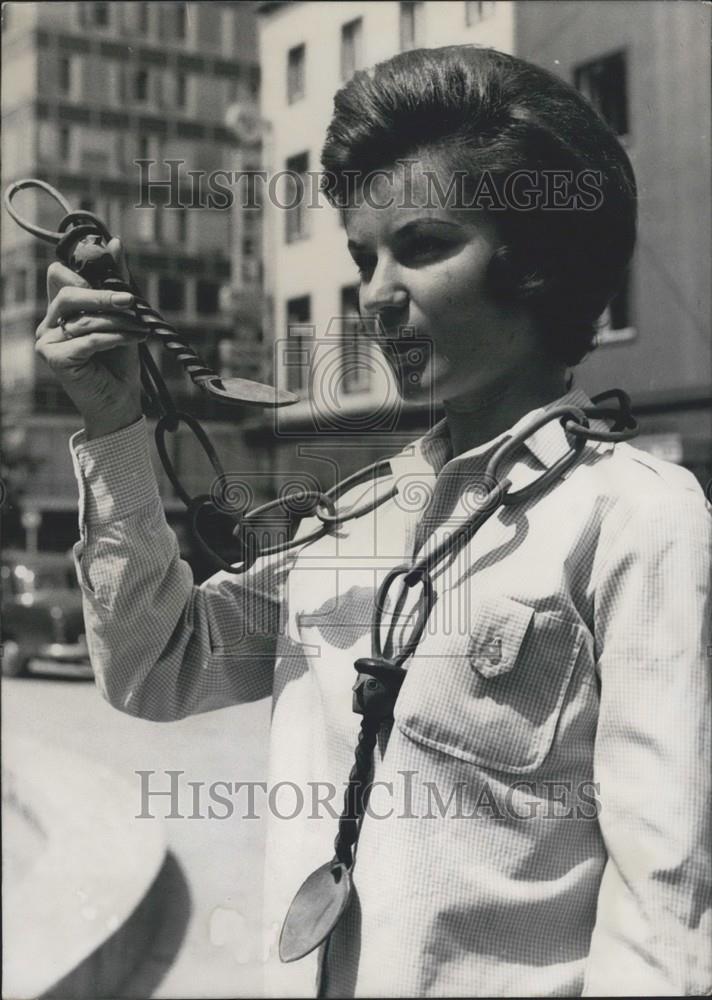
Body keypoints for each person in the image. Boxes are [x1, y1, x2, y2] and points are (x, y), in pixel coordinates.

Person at [35, 46, 710, 998]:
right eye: (364, 255)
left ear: (538, 267)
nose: (376, 293)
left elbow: (669, 913)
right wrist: (113, 425)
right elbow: (158, 667)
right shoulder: (353, 516)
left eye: (425, 246)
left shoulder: (639, 518)